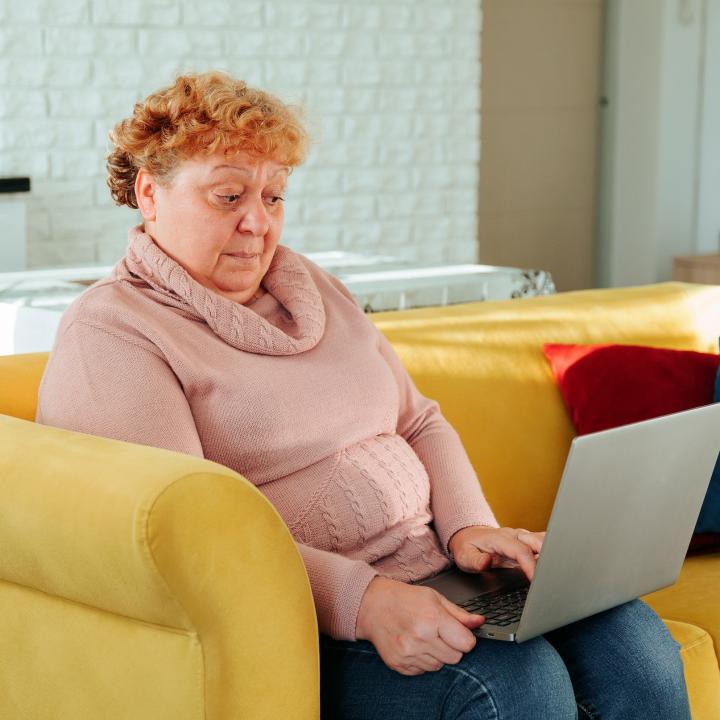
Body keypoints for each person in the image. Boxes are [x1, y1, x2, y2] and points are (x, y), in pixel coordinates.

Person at [36, 71, 690, 719]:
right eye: (228, 195)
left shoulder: (309, 286)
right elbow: (188, 545)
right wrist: (363, 599)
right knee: (516, 682)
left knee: (630, 642)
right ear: (150, 194)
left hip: (432, 571)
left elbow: (420, 420)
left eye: (273, 197)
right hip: (302, 626)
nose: (256, 225)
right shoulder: (116, 332)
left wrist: (471, 528)